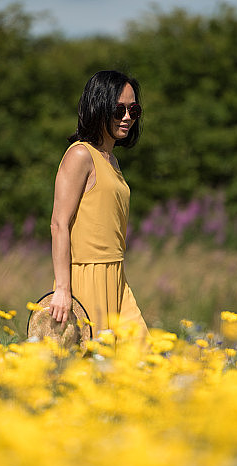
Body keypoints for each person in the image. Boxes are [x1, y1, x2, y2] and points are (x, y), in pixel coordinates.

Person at [48, 70, 149, 339]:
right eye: (119, 110)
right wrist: (62, 288)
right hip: (86, 277)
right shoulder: (80, 155)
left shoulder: (111, 161)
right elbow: (59, 223)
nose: (127, 117)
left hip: (116, 275)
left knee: (140, 352)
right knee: (96, 367)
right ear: (98, 107)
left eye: (133, 109)